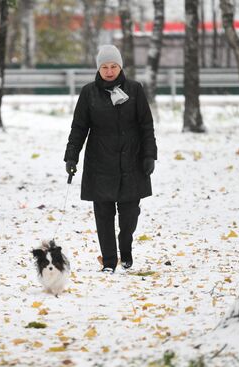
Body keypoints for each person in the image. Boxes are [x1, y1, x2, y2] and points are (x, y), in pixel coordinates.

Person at [64, 45, 157, 273]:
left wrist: (149, 155)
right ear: (98, 68)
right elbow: (79, 127)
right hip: (100, 163)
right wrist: (71, 156)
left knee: (129, 215)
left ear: (120, 66)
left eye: (113, 66)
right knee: (103, 215)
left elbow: (146, 125)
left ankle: (125, 248)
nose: (108, 71)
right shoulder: (89, 93)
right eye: (104, 67)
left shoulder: (134, 90)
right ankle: (109, 261)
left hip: (131, 162)